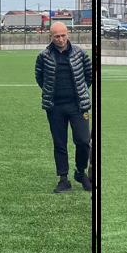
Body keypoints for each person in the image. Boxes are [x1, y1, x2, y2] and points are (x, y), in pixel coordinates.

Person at [34, 21, 93, 193]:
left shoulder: (81, 53)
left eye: (63, 35)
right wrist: (51, 93)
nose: (60, 39)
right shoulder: (43, 56)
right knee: (59, 143)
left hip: (78, 106)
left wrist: (81, 92)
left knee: (83, 141)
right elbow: (40, 78)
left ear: (68, 34)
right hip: (55, 107)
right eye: (57, 36)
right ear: (50, 37)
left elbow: (89, 76)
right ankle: (63, 179)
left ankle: (80, 172)